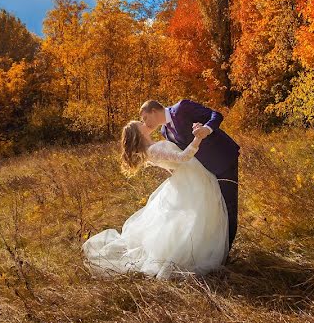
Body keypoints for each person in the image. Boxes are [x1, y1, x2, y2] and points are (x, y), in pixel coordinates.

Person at [81, 120, 229, 279]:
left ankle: (197, 248)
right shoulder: (153, 150)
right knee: (191, 219)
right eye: (140, 123)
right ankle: (186, 253)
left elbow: (172, 166)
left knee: (187, 219)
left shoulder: (151, 149)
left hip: (189, 179)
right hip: (192, 181)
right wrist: (198, 137)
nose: (144, 123)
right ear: (139, 132)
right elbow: (183, 157)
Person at [140, 99, 240, 252]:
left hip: (222, 160)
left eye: (145, 118)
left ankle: (226, 254)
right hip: (204, 171)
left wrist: (206, 129)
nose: (145, 123)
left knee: (228, 207)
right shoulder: (164, 131)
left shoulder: (182, 108)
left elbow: (216, 115)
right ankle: (214, 249)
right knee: (215, 209)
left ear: (154, 111)